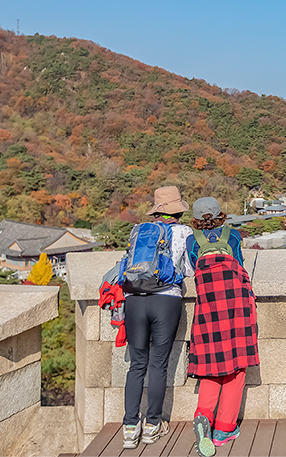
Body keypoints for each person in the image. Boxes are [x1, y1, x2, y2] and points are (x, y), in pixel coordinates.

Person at [120, 186, 193, 450]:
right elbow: (188, 269)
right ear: (178, 211)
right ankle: (152, 426)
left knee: (137, 365)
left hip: (134, 300)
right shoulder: (184, 232)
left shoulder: (138, 231)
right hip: (166, 300)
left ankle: (130, 428)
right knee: (158, 365)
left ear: (157, 211)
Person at [186, 197, 259, 457]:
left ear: (195, 218)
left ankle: (203, 416)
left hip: (208, 308)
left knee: (210, 367)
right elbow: (239, 265)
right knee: (236, 367)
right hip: (236, 306)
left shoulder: (191, 240)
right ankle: (224, 430)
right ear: (220, 215)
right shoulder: (234, 236)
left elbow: (191, 269)